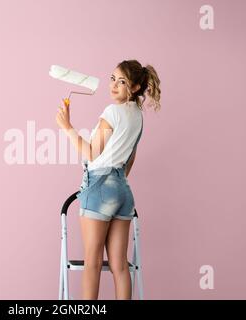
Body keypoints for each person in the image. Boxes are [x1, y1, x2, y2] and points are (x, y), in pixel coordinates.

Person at [56, 59, 161, 299]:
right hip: (123, 192)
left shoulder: (112, 112)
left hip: (99, 186)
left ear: (134, 88)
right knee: (120, 266)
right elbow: (131, 158)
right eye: (112, 79)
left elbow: (92, 153)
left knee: (92, 263)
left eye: (121, 82)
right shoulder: (137, 116)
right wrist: (116, 182)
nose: (113, 86)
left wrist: (67, 127)